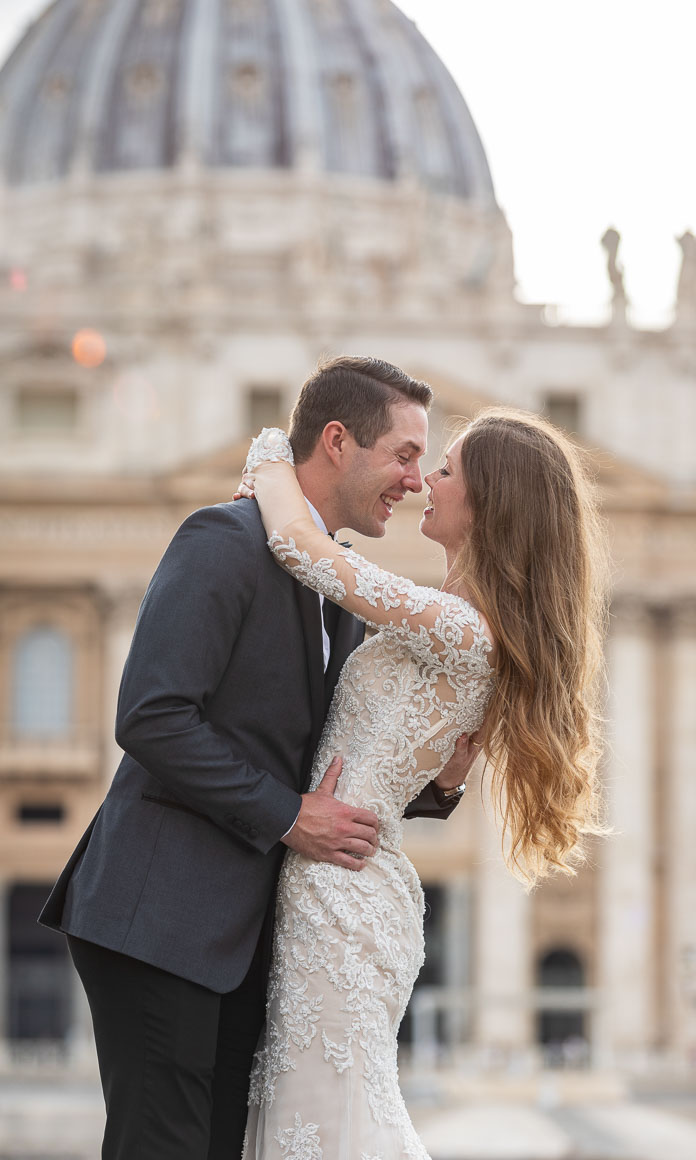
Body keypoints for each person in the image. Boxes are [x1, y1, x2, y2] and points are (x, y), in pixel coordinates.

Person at [39, 356, 479, 1160]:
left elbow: (346, 750)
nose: (415, 481)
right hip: (164, 914)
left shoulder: (330, 578)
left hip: (250, 932)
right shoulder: (224, 538)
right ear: (339, 442)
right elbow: (152, 715)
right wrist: (288, 816)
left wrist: (441, 784)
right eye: (405, 454)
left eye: (428, 461)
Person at [237, 407, 608, 1159]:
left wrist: (274, 451)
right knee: (322, 1116)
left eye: (446, 470)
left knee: (322, 1122)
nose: (423, 481)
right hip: (344, 880)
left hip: (339, 895)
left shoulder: (459, 627)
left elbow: (297, 545)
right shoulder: (460, 626)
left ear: (488, 505)